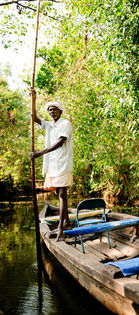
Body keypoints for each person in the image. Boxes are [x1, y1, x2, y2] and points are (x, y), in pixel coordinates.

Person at [30, 89, 73, 241]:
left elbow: (60, 143)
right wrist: (34, 99)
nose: (51, 111)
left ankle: (61, 228)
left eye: (54, 109)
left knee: (62, 194)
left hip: (63, 163)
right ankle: (66, 221)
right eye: (49, 109)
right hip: (53, 165)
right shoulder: (49, 125)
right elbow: (34, 117)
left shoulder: (65, 124)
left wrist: (39, 153)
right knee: (60, 194)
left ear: (60, 111)